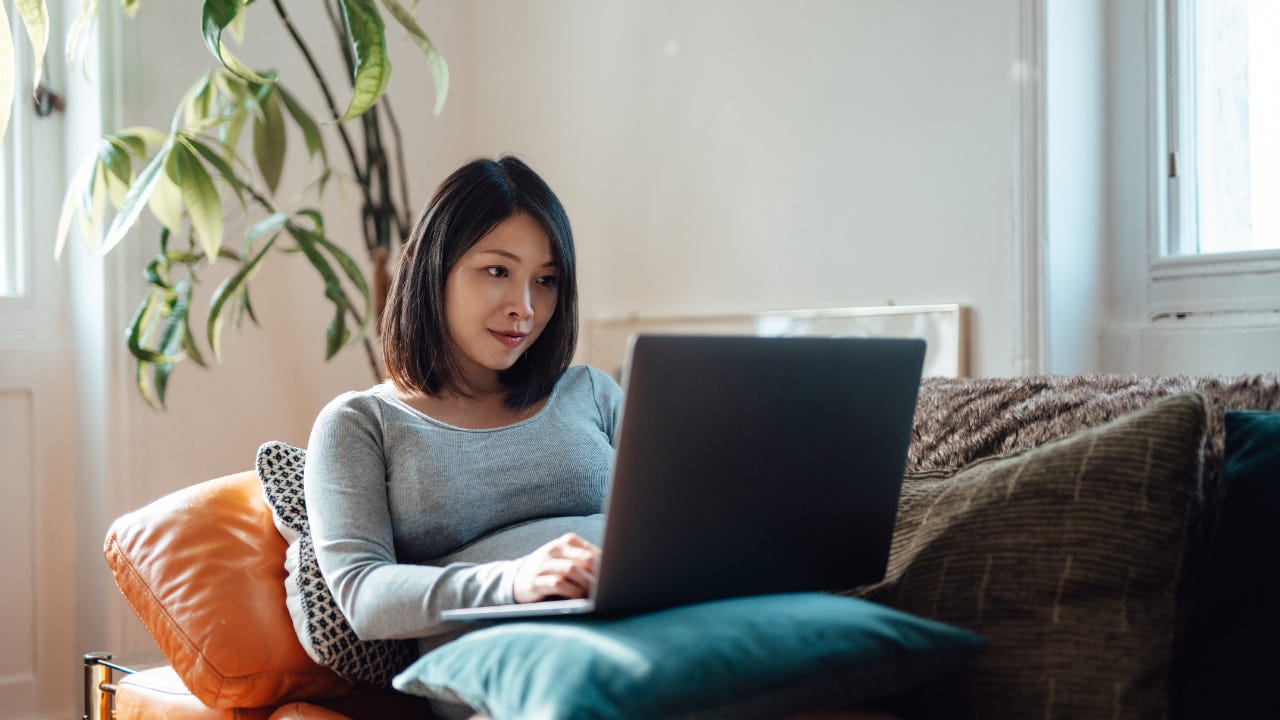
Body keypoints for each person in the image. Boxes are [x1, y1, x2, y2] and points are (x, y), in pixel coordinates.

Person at [303, 156, 623, 655]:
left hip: (644, 627)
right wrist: (515, 581)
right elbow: (363, 596)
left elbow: (678, 524)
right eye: (498, 270)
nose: (526, 306)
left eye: (546, 280)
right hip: (512, 664)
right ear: (428, 268)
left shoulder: (593, 393)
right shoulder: (362, 424)